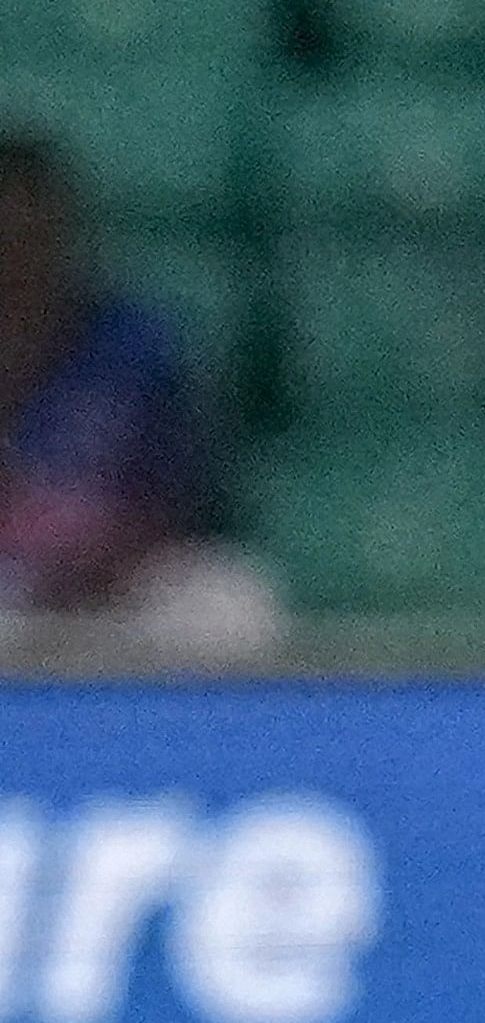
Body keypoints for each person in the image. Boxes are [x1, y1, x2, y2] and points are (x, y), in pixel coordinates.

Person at [0, 137, 282, 660]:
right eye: (6, 239)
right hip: (12, 587)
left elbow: (195, 494)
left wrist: (109, 552)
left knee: (234, 605)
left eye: (33, 235)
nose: (19, 256)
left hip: (124, 584)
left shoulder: (137, 345)